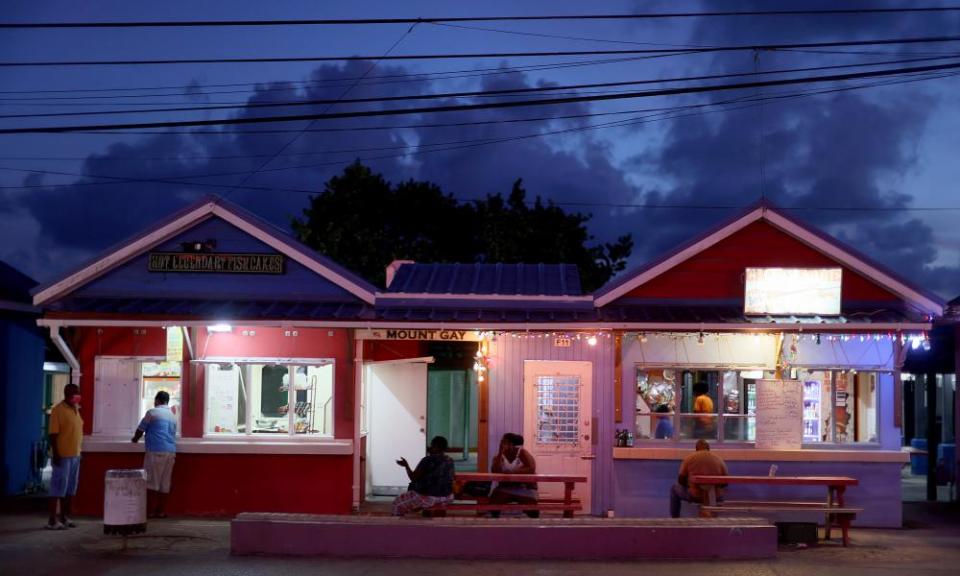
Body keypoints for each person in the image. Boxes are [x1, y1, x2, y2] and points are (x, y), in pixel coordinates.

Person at [131, 390, 177, 518]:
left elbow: (140, 430)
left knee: (152, 481)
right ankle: (160, 512)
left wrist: (134, 439)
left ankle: (150, 512)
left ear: (157, 400)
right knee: (165, 483)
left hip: (156, 451)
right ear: (167, 401)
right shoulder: (173, 416)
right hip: (171, 452)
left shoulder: (152, 412)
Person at [47, 383, 83, 530]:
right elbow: (53, 435)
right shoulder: (58, 410)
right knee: (57, 488)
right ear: (67, 394)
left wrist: (80, 453)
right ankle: (52, 520)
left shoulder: (76, 409)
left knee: (69, 489)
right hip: (62, 456)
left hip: (75, 455)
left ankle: (64, 517)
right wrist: (56, 454)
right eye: (75, 393)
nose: (78, 395)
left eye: (78, 393)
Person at [391, 436, 456, 516]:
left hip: (429, 497)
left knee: (397, 504)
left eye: (432, 445)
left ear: (435, 446)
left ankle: (397, 525)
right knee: (425, 502)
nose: (430, 447)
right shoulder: (450, 460)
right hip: (447, 497)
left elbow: (413, 478)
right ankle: (429, 518)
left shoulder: (427, 460)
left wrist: (406, 465)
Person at [669, 439, 728, 518]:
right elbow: (725, 483)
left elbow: (681, 480)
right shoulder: (719, 459)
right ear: (709, 449)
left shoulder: (689, 458)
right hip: (715, 497)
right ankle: (713, 516)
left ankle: (675, 518)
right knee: (719, 493)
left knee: (674, 488)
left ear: (696, 449)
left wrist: (690, 486)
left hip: (695, 496)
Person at [489, 433, 539, 518]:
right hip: (505, 487)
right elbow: (495, 470)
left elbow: (531, 468)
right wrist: (500, 452)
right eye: (501, 441)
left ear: (511, 444)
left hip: (524, 487)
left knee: (532, 509)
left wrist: (512, 473)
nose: (501, 443)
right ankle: (495, 523)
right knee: (494, 501)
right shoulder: (500, 456)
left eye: (504, 441)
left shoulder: (521, 452)